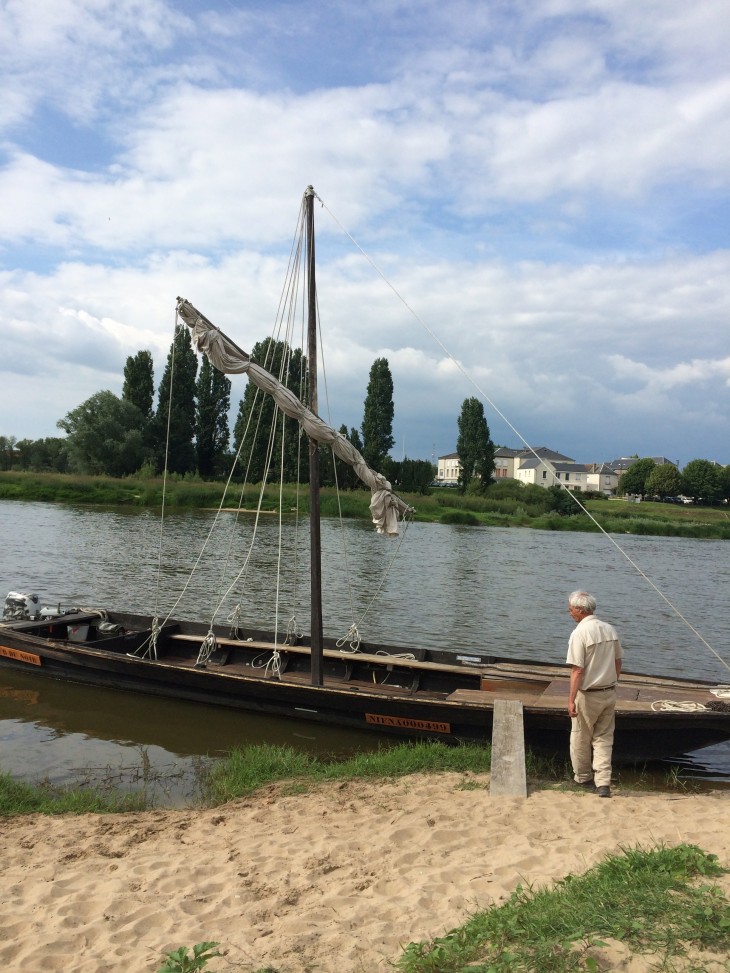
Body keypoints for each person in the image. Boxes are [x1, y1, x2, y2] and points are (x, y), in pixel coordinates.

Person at [566, 590, 623, 798]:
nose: (569, 612)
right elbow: (618, 662)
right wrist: (612, 682)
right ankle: (604, 783)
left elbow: (577, 670)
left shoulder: (579, 633)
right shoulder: (610, 629)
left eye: (571, 609)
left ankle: (583, 779)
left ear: (580, 610)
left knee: (580, 737)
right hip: (609, 692)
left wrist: (571, 699)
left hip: (588, 694)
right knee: (604, 738)